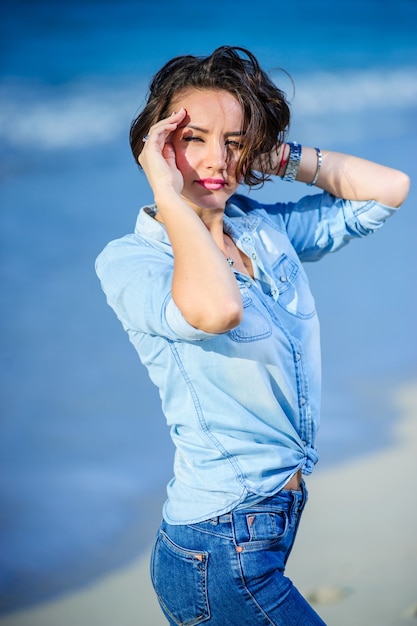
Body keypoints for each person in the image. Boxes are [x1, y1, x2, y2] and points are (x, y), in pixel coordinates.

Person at [95, 46, 410, 625]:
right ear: (157, 147)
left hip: (263, 530)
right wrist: (169, 196)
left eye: (233, 141)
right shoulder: (131, 262)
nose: (216, 159)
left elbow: (387, 189)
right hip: (216, 551)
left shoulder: (261, 229)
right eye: (193, 138)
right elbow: (216, 311)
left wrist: (278, 155)